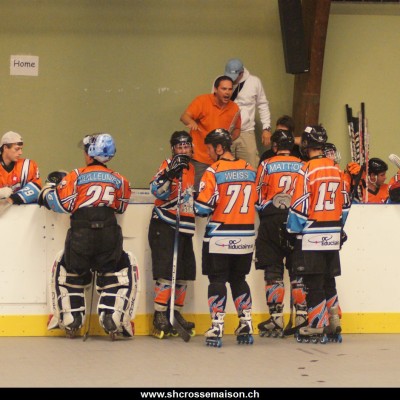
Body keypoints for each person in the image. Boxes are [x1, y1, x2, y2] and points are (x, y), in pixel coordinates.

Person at [38, 133, 139, 339]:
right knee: (113, 272)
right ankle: (113, 318)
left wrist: (47, 190)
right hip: (109, 235)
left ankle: (71, 319)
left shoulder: (75, 176)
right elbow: (121, 207)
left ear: (90, 153)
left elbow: (61, 205)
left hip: (81, 235)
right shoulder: (120, 179)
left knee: (70, 272)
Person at [286, 125, 350, 343]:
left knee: (313, 282)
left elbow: (299, 206)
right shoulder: (336, 169)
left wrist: (292, 231)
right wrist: (338, 227)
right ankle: (334, 321)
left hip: (312, 235)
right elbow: (345, 205)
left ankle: (317, 324)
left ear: (306, 143)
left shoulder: (306, 169)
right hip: (332, 234)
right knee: (329, 279)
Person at [194, 128, 257, 347]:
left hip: (220, 236)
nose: (209, 153)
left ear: (220, 148)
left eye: (210, 149)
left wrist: (195, 200)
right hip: (246, 236)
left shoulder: (213, 171)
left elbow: (202, 208)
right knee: (239, 279)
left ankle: (217, 325)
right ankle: (246, 323)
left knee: (217, 280)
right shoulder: (249, 169)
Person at [255, 129, 307, 338]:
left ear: (274, 146)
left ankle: (276, 319)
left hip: (271, 219)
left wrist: (268, 211)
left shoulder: (266, 164)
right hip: (297, 220)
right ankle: (302, 316)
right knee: (298, 271)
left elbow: (257, 195)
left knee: (273, 270)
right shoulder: (303, 165)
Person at [148, 131, 196, 339]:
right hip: (165, 222)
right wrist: (169, 174)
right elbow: (155, 190)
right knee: (167, 271)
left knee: (184, 273)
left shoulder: (193, 168)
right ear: (173, 149)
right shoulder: (167, 164)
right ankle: (159, 314)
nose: (183, 150)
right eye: (179, 146)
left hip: (185, 225)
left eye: (186, 146)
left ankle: (175, 312)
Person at [180, 75, 241, 190]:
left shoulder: (234, 108)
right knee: (197, 191)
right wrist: (191, 122)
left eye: (230, 89)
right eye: (224, 89)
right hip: (200, 158)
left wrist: (228, 139)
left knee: (220, 191)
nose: (227, 92)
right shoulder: (202, 101)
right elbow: (184, 117)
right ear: (216, 89)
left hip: (221, 160)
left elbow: (237, 129)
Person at [222, 58, 271, 168]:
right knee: (224, 168)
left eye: (234, 77)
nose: (232, 79)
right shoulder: (221, 82)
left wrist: (266, 128)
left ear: (241, 73)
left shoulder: (254, 82)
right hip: (226, 132)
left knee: (250, 167)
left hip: (246, 131)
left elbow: (263, 105)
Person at [0, 131, 42, 213]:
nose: (20, 153)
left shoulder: (27, 166)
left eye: (21, 149)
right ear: (5, 148)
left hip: (23, 214)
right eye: (17, 149)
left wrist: (10, 200)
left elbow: (37, 188)